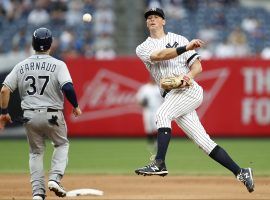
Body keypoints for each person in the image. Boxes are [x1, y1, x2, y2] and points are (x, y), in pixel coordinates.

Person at [134, 8, 254, 193]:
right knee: (204, 142)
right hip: (172, 96)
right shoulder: (143, 47)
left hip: (189, 90)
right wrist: (186, 48)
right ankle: (242, 172)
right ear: (146, 23)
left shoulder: (180, 38)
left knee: (162, 113)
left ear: (163, 21)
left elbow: (197, 67)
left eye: (156, 17)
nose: (152, 20)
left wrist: (188, 76)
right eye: (149, 18)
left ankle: (159, 163)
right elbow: (159, 56)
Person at [0, 27, 82, 200]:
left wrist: (4, 112)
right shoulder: (58, 64)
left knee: (36, 153)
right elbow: (67, 87)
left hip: (29, 116)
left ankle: (38, 193)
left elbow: (4, 90)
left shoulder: (21, 66)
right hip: (52, 115)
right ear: (51, 44)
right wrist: (75, 105)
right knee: (61, 145)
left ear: (33, 44)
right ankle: (55, 178)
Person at [136, 77, 163, 155]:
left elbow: (164, 99)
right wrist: (142, 102)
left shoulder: (159, 87)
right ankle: (151, 144)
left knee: (157, 127)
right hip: (147, 110)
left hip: (157, 110)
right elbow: (139, 99)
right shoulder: (145, 88)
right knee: (148, 128)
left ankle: (157, 143)